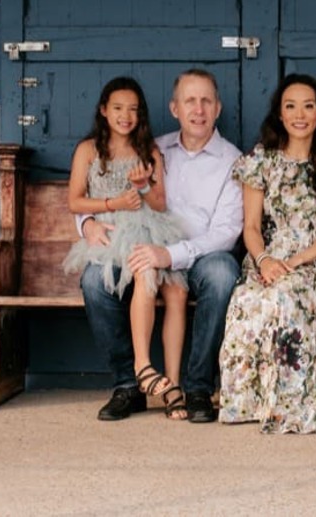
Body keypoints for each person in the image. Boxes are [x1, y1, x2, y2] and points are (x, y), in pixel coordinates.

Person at [77, 69, 243, 423]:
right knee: (94, 280)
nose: (198, 110)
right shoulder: (154, 147)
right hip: (138, 244)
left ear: (218, 108)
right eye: (190, 101)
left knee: (222, 273)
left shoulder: (233, 160)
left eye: (206, 101)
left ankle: (197, 387)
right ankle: (128, 385)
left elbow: (226, 232)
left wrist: (171, 254)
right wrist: (87, 224)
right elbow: (99, 194)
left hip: (197, 255)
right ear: (174, 109)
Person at [218, 74, 316, 434]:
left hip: (315, 259)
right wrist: (265, 261)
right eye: (291, 106)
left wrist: (295, 262)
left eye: (308, 106)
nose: (300, 114)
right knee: (246, 300)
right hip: (267, 255)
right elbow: (251, 226)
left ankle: (289, 403)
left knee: (285, 297)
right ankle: (249, 402)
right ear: (279, 115)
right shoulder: (262, 160)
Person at [64, 76, 189, 417]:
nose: (126, 116)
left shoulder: (148, 150)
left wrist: (144, 186)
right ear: (104, 110)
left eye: (133, 110)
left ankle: (143, 368)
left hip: (148, 229)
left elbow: (160, 202)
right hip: (109, 233)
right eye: (118, 108)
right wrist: (111, 204)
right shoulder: (88, 150)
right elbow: (75, 201)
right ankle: (128, 382)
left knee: (148, 273)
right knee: (94, 281)